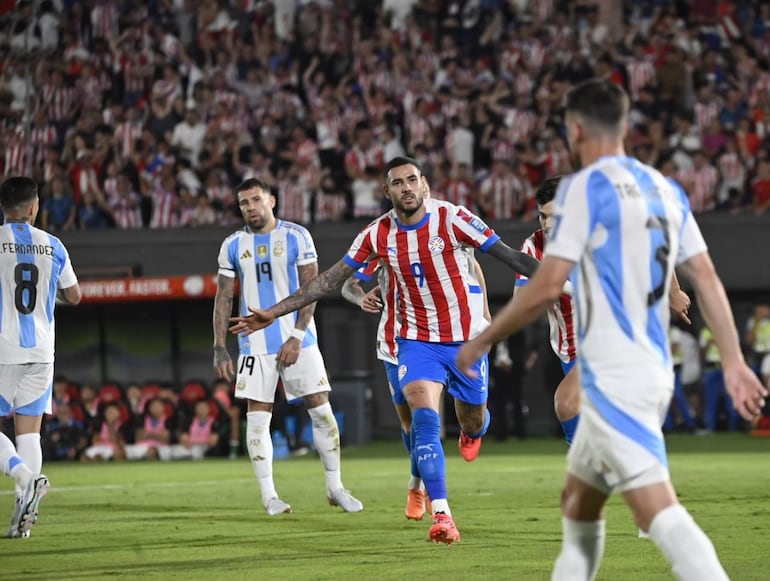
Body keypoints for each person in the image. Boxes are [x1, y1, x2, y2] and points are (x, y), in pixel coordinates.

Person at [456, 80, 767, 580]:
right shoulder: (664, 189)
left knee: (660, 514)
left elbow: (544, 286)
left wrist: (482, 340)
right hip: (645, 364)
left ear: (575, 129)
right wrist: (733, 361)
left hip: (611, 372)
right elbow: (704, 276)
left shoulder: (583, 193)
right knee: (577, 512)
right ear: (625, 125)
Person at [229, 156, 543, 544]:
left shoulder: (453, 219)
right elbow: (328, 281)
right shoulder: (377, 235)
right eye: (398, 183)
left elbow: (510, 256)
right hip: (414, 342)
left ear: (424, 185)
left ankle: (471, 432)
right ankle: (442, 514)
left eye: (413, 180)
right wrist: (272, 314)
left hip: (465, 341)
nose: (406, 188)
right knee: (423, 421)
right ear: (387, 191)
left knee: (472, 420)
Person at [213, 177, 363, 516]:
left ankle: (335, 487)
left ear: (272, 200)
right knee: (257, 417)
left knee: (321, 409)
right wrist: (220, 346)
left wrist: (296, 335)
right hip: (253, 343)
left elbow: (313, 289)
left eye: (255, 200)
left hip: (299, 338)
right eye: (243, 203)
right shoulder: (232, 244)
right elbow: (223, 296)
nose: (249, 207)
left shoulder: (296, 236)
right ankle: (270, 497)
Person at [515, 176, 693, 445]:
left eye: (556, 216)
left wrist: (674, 292)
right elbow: (522, 296)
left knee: (566, 404)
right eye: (542, 217)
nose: (548, 224)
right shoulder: (533, 247)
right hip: (570, 350)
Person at [341, 243, 490, 521]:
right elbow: (349, 283)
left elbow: (473, 265)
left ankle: (473, 431)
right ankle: (420, 487)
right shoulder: (384, 242)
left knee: (472, 421)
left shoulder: (448, 228)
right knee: (413, 423)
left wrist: (484, 312)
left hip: (452, 337)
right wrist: (359, 297)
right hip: (398, 345)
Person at [0, 176, 82, 538]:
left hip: (3, 348)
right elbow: (75, 296)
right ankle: (23, 523)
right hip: (41, 351)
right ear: (34, 207)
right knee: (29, 435)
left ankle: (24, 478)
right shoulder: (54, 245)